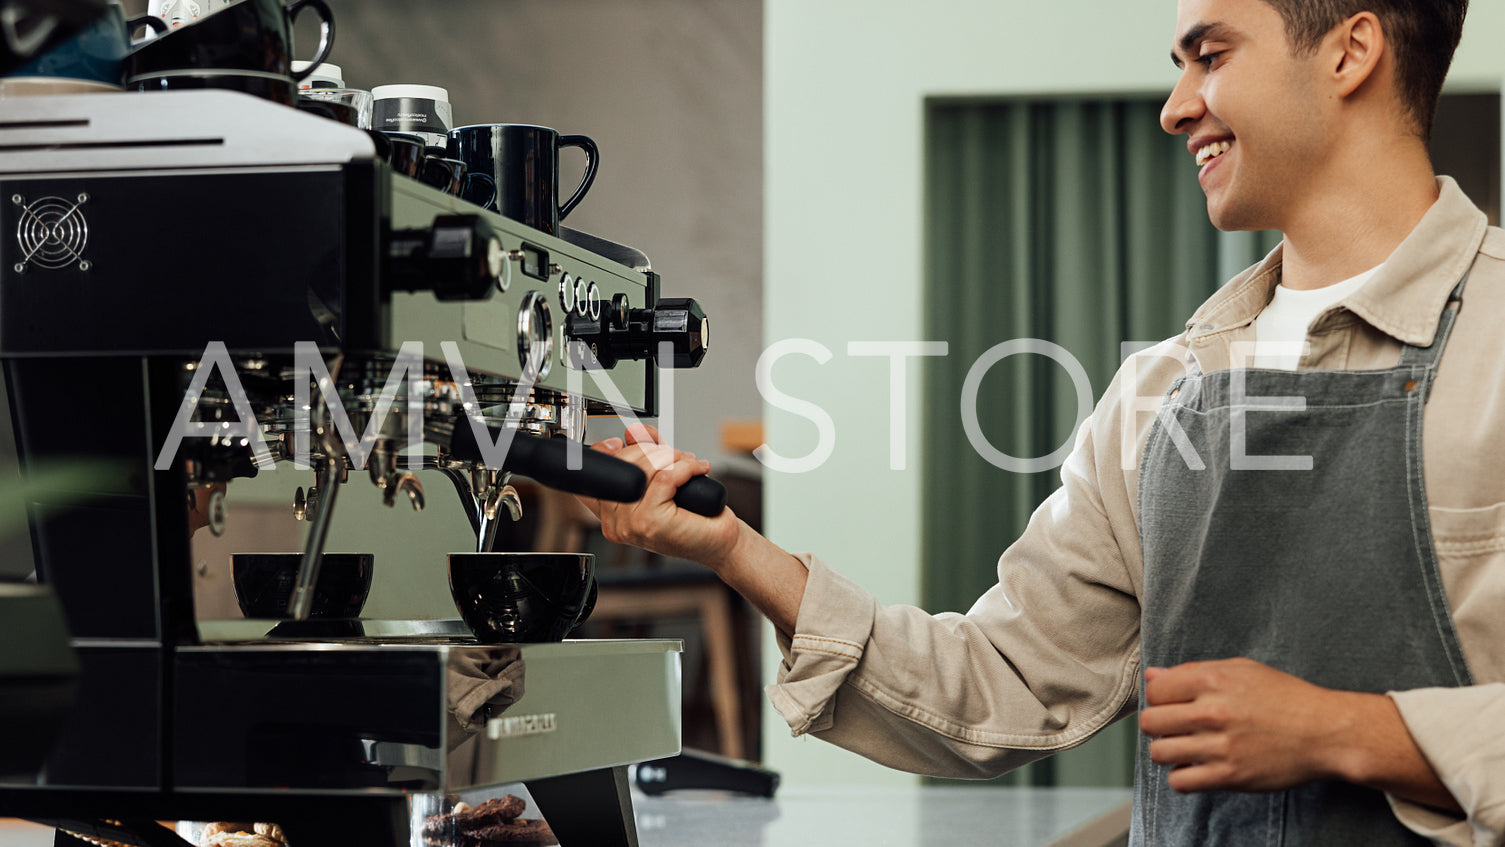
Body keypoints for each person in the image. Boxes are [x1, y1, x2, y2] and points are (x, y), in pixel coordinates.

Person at [581, 0, 1505, 843]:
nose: (1176, 107)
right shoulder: (1159, 391)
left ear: (1350, 52)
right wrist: (736, 550)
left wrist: (1353, 732)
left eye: (1209, 56)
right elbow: (1001, 683)